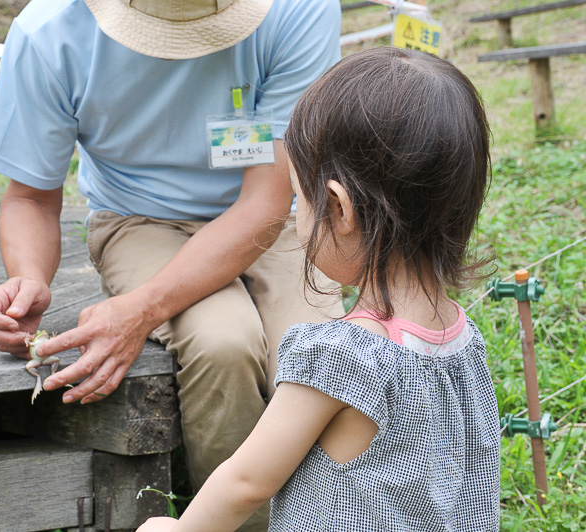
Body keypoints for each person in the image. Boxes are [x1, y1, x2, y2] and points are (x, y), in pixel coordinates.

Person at [0, 1, 344, 529]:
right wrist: (29, 279)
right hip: (139, 219)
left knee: (318, 351)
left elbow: (264, 203)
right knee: (222, 343)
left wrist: (140, 311)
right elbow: (31, 196)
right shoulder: (49, 33)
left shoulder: (298, 9)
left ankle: (336, 515)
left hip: (275, 215)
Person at [137, 46, 501, 532]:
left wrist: (177, 529)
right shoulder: (465, 344)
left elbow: (248, 482)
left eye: (297, 198)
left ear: (338, 207)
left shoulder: (341, 357)